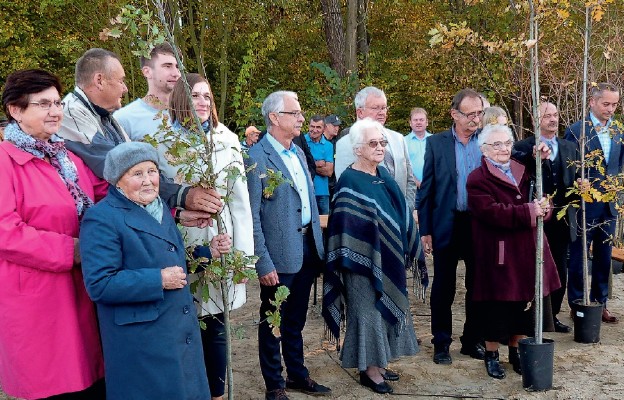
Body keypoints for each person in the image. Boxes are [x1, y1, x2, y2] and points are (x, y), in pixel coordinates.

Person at [0, 69, 106, 399]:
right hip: (38, 303)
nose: (55, 111)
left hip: (82, 292)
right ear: (15, 110)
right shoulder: (5, 162)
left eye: (57, 102)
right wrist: (72, 250)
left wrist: (173, 209)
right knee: (55, 386)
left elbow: (108, 198)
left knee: (92, 381)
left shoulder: (68, 157)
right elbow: (7, 232)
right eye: (43, 104)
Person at [80, 142, 212, 399]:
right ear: (117, 181)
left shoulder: (159, 207)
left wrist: (208, 252)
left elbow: (167, 255)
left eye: (152, 171)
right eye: (137, 174)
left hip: (176, 331)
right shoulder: (102, 218)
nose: (148, 181)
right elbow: (100, 284)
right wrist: (158, 279)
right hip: (142, 341)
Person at [57, 48, 223, 228]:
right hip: (104, 229)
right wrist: (182, 195)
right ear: (99, 80)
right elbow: (120, 168)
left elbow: (138, 166)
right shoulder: (71, 114)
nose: (125, 88)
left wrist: (175, 213)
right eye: (121, 81)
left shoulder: (106, 117)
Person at [167, 73, 255, 400]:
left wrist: (242, 259)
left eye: (206, 96)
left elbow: (240, 202)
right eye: (194, 96)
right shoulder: (164, 141)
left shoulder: (227, 139)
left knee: (216, 323)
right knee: (183, 322)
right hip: (182, 243)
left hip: (222, 243)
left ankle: (216, 394)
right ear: (180, 100)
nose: (201, 102)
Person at [323, 118, 419, 394]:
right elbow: (344, 225)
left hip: (387, 258)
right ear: (357, 149)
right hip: (361, 262)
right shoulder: (349, 180)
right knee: (367, 313)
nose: (380, 148)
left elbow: (398, 210)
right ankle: (369, 370)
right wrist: (368, 244)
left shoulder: (383, 175)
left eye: (382, 143)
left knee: (385, 310)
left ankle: (381, 360)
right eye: (373, 143)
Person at [245, 91, 330, 400]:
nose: (302, 118)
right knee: (273, 320)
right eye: (295, 113)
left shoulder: (297, 152)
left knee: (295, 318)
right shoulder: (256, 159)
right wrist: (262, 262)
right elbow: (252, 216)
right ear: (274, 118)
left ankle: (297, 374)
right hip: (278, 255)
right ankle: (274, 385)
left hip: (308, 247)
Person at [467, 124, 560, 379]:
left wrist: (545, 207)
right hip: (500, 254)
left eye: (506, 143)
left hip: (529, 250)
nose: (503, 149)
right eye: (496, 144)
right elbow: (492, 212)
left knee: (524, 306)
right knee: (497, 308)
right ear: (483, 149)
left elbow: (545, 197)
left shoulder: (527, 170)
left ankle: (516, 352)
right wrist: (530, 211)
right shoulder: (477, 178)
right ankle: (492, 354)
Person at [418, 88, 485, 364]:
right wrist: (425, 230)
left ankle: (473, 340)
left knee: (478, 286)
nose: (475, 119)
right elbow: (428, 189)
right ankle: (441, 342)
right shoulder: (436, 143)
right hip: (447, 222)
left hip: (480, 224)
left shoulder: (488, 141)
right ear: (454, 114)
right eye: (470, 114)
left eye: (479, 113)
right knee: (444, 286)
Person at [514, 102, 577, 333]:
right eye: (547, 115)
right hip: (535, 219)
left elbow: (575, 176)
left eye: (555, 114)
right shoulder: (522, 147)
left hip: (562, 219)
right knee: (532, 270)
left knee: (560, 269)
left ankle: (553, 316)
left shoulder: (570, 147)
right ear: (536, 120)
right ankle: (531, 318)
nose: (553, 119)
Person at [564, 82, 624, 323]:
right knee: (578, 256)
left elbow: (618, 165)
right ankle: (577, 303)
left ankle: (601, 303)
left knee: (604, 256)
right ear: (592, 102)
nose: (611, 109)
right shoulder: (577, 130)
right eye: (606, 104)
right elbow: (569, 166)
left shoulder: (619, 130)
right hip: (584, 205)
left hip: (609, 205)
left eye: (615, 104)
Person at [335, 86, 417, 209]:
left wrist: (406, 210)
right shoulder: (346, 143)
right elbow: (346, 186)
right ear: (360, 112)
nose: (382, 112)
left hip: (400, 217)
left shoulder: (398, 139)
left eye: (384, 107)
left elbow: (409, 179)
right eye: (375, 108)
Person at [113, 42, 181, 141]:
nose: (176, 73)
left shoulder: (191, 115)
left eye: (177, 67)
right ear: (147, 72)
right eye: (167, 66)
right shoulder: (125, 119)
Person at [305, 115, 334, 215]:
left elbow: (329, 171)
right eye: (312, 126)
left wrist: (309, 164)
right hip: (305, 191)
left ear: (324, 129)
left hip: (322, 193)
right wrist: (317, 163)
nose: (314, 130)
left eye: (318, 127)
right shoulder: (301, 141)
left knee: (325, 225)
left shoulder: (328, 146)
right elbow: (299, 165)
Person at [404, 107, 432, 189]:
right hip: (411, 187)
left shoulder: (435, 141)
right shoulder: (403, 142)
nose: (418, 122)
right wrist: (416, 182)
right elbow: (403, 165)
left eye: (421, 120)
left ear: (427, 122)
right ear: (410, 123)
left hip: (433, 187)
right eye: (415, 120)